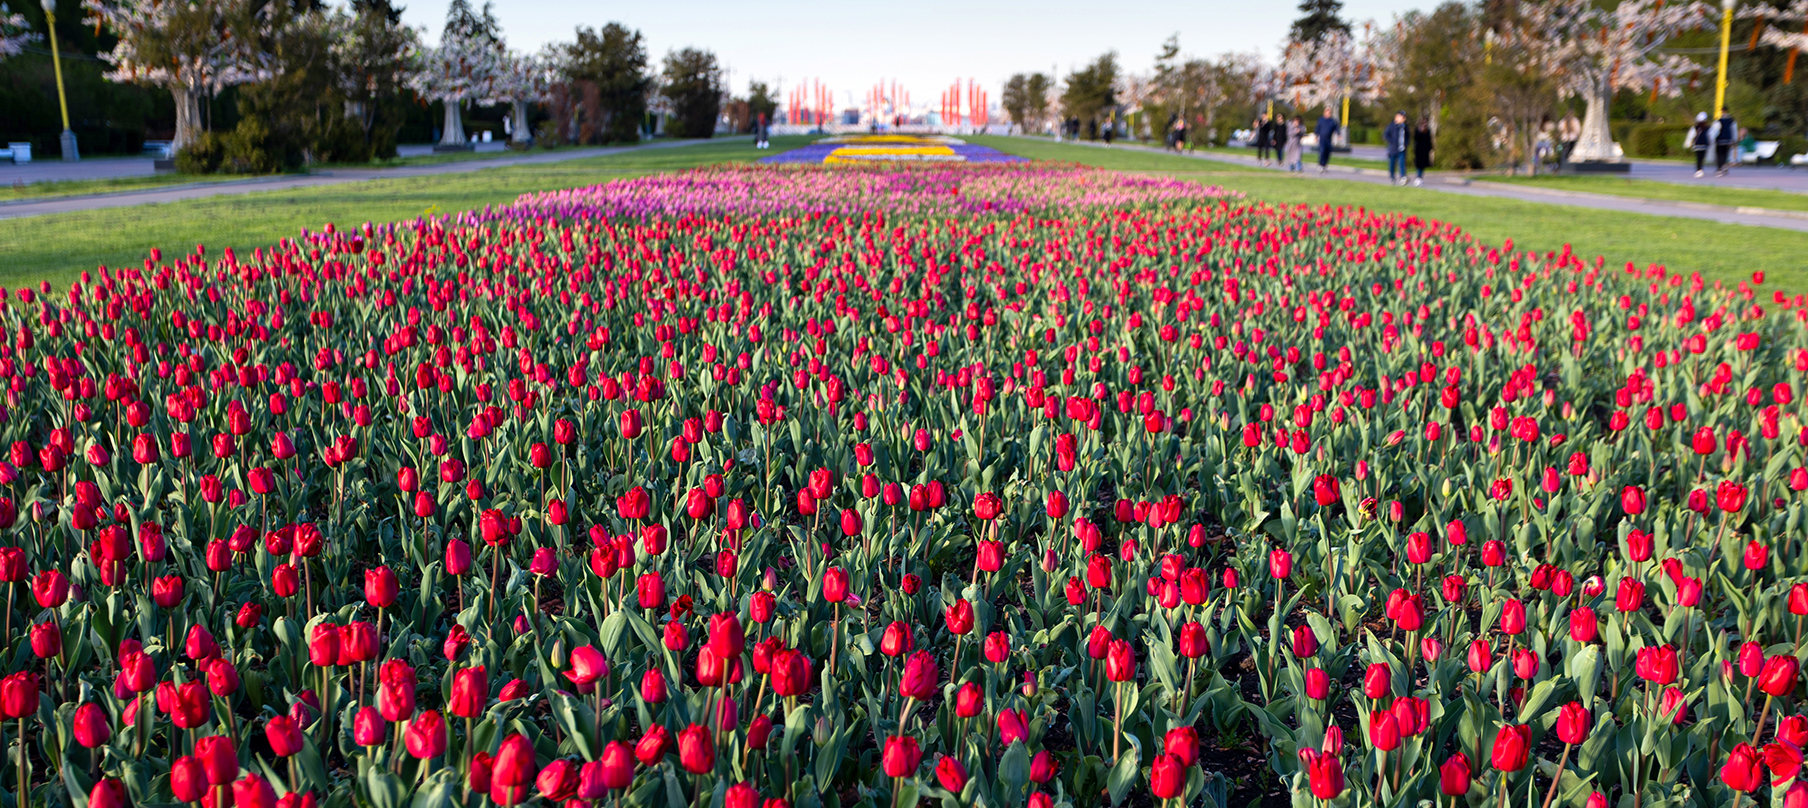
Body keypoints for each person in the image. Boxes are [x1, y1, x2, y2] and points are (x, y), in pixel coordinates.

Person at [1384, 111, 1409, 184]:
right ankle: (1392, 177)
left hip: (1402, 149)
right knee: (1392, 164)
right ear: (1397, 117)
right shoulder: (1392, 126)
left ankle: (1403, 177)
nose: (1404, 119)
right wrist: (1392, 142)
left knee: (1402, 163)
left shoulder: (1404, 127)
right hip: (1393, 149)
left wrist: (1406, 144)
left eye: (1404, 117)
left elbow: (1407, 136)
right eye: (1402, 117)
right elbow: (1386, 135)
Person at [1713, 106, 1737, 176]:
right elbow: (1734, 131)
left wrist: (1713, 139)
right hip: (1728, 140)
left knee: (1719, 154)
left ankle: (1719, 168)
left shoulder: (1719, 121)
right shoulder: (1731, 120)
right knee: (1725, 154)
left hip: (1720, 140)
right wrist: (1734, 140)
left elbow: (1715, 131)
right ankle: (1724, 165)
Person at [1686, 112, 1711, 177]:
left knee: (1698, 158)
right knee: (1702, 158)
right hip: (1704, 145)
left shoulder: (1695, 127)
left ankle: (1698, 170)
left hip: (1697, 145)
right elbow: (1710, 136)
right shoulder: (1707, 128)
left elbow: (1691, 136)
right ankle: (1700, 169)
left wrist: (1689, 144)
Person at [1315, 108, 1339, 174]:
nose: (1328, 114)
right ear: (1324, 113)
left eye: (1330, 113)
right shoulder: (1321, 120)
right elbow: (1317, 128)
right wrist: (1316, 136)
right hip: (1322, 138)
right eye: (1327, 112)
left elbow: (1336, 128)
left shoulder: (1332, 121)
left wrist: (1338, 134)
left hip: (1329, 139)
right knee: (1322, 151)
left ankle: (1324, 165)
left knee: (1327, 152)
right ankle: (1320, 165)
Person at [1411, 118, 1433, 185]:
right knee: (1419, 165)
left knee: (1422, 165)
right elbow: (1416, 139)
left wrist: (1430, 148)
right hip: (1419, 150)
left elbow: (1429, 140)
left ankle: (1420, 177)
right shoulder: (1418, 130)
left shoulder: (1428, 131)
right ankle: (1418, 177)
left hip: (1425, 150)